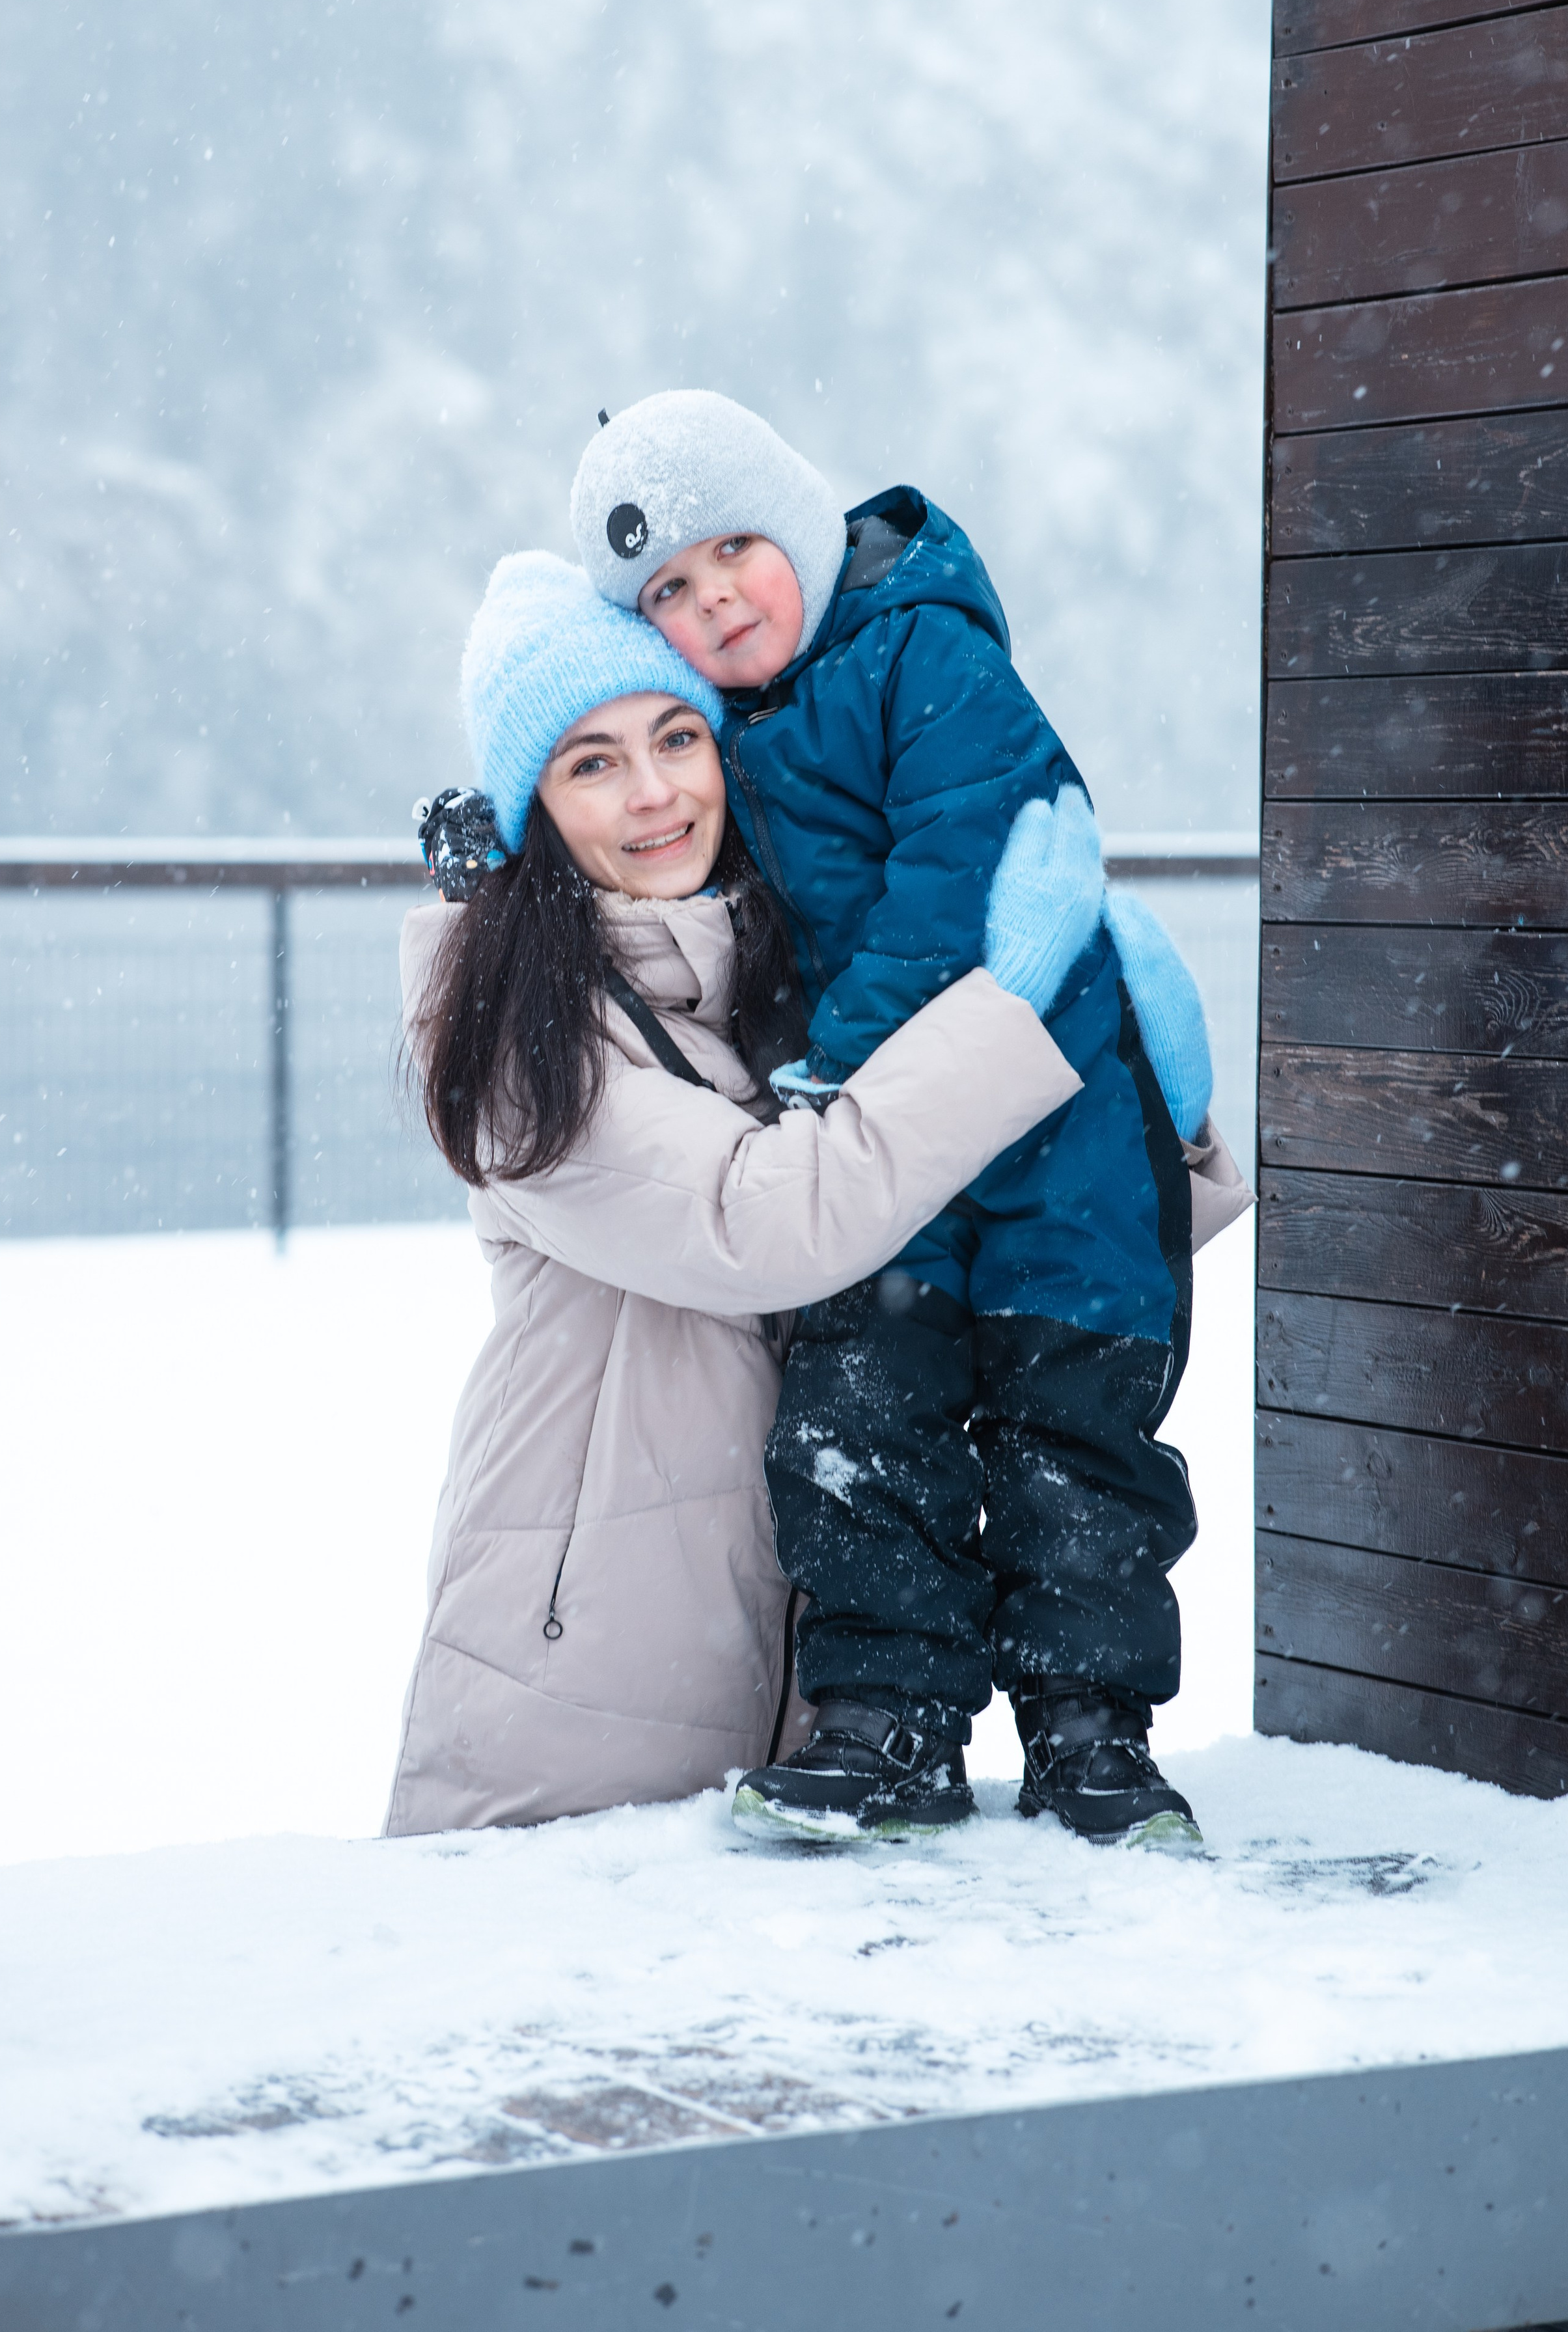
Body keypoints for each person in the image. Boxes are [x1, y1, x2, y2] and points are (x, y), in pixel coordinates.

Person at [570, 392, 1250, 1848]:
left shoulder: (920, 653)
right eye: (669, 595)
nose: (715, 602)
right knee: (860, 1424)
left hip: (1054, 1137)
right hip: (897, 1150)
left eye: (734, 550)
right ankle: (889, 1723)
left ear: (805, 527)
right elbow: (605, 803)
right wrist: (491, 836)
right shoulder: (725, 738)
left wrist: (845, 1059)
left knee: (1076, 1433)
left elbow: (963, 870)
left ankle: (1092, 1733)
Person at [384, 549, 1110, 1837]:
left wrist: (1154, 1120)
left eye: (677, 736)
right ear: (529, 812)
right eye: (590, 762)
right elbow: (772, 1224)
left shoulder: (763, 986)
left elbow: (933, 1223)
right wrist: (1006, 1010)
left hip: (794, 1695)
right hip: (575, 1700)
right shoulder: (517, 1044)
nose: (655, 791)